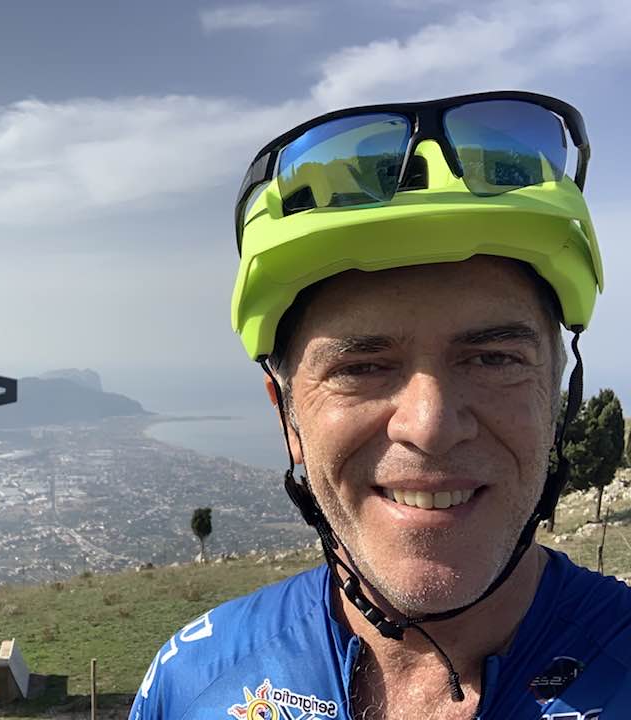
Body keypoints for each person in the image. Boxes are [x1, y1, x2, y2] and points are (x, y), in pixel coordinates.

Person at [130, 91, 631, 719]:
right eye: (361, 368)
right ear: (288, 417)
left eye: (493, 359)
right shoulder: (190, 683)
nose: (430, 426)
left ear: (555, 395)